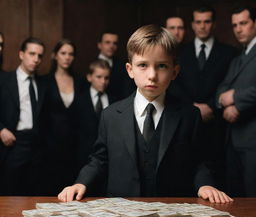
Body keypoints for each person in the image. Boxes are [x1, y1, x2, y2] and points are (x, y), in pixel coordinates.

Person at [58, 24, 232, 203]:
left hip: (171, 212)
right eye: (142, 65)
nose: (152, 75)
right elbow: (99, 159)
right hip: (122, 211)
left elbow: (198, 161)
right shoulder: (110, 115)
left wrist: (205, 184)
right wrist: (81, 183)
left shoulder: (190, 115)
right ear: (130, 70)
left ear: (175, 71)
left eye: (162, 66)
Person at [169, 6, 237, 189]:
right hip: (187, 122)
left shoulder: (229, 52)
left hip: (217, 124)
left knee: (221, 180)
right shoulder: (180, 53)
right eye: (198, 22)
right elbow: (173, 85)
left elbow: (230, 83)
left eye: (207, 21)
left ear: (214, 24)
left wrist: (211, 106)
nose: (202, 26)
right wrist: (193, 107)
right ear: (192, 25)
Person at [216, 6, 256, 197]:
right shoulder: (238, 58)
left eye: (243, 23)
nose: (238, 29)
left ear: (254, 23)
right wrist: (224, 101)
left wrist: (236, 100)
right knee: (237, 198)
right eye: (235, 25)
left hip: (252, 139)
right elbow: (222, 88)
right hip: (232, 139)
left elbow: (231, 92)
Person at [39, 39, 86, 196]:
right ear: (55, 56)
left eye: (71, 54)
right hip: (50, 148)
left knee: (72, 194)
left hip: (74, 148)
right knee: (50, 191)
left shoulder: (80, 82)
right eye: (63, 53)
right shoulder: (44, 81)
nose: (67, 57)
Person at [0, 37, 45, 195]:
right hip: (12, 144)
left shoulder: (44, 83)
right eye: (32, 54)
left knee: (33, 194)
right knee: (10, 192)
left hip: (36, 145)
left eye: (40, 56)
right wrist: (1, 130)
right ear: (21, 54)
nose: (36, 59)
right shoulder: (4, 80)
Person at [76, 59, 117, 195]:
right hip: (83, 158)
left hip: (108, 159)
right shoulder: (78, 100)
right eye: (99, 77)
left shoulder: (115, 100)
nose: (103, 81)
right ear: (89, 77)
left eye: (106, 78)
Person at [97, 31, 134, 99]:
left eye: (115, 43)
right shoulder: (90, 64)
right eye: (107, 42)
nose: (111, 46)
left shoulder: (124, 66)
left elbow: (127, 90)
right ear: (99, 45)